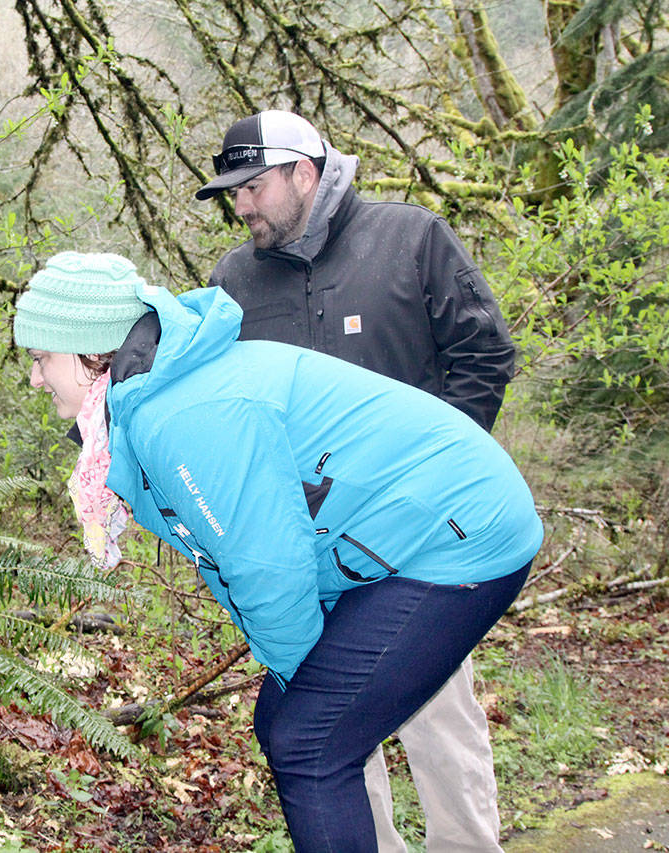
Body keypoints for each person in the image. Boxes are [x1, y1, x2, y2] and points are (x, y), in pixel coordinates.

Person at [12, 251, 541, 853]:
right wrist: (304, 679)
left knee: (309, 743)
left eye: (40, 359)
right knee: (290, 724)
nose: (35, 379)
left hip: (458, 536)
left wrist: (307, 680)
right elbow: (242, 551)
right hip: (399, 538)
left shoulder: (182, 415)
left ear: (90, 353)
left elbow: (265, 569)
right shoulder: (152, 402)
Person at [195, 109, 517, 852]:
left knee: (440, 710)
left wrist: (440, 476)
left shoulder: (408, 238)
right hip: (307, 547)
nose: (240, 206)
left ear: (303, 173)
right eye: (231, 193)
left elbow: (484, 353)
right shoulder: (234, 280)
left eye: (252, 187)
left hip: (424, 536)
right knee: (328, 719)